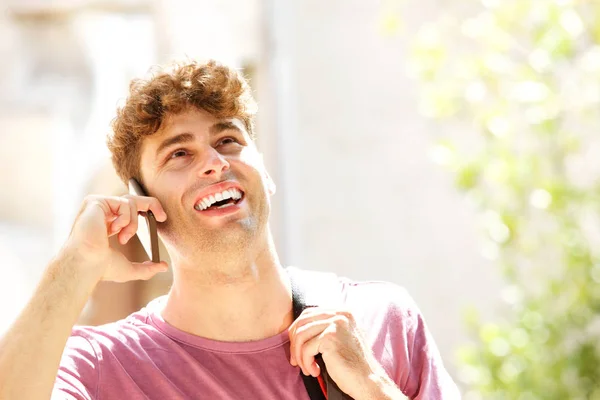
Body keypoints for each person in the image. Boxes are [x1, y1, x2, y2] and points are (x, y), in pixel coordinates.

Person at [0, 60, 460, 399]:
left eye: (228, 141)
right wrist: (75, 263)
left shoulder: (380, 318)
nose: (215, 163)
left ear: (265, 171)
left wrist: (374, 384)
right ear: (144, 204)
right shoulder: (104, 367)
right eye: (179, 154)